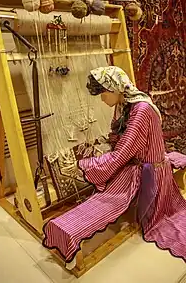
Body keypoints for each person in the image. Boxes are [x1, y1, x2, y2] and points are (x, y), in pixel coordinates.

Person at [43, 66, 186, 263]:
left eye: (102, 93)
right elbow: (118, 138)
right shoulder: (126, 105)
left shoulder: (141, 110)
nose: (101, 98)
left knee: (112, 198)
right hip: (139, 164)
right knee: (109, 189)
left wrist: (84, 165)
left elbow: (121, 154)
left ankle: (74, 231)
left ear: (114, 88)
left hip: (152, 174)